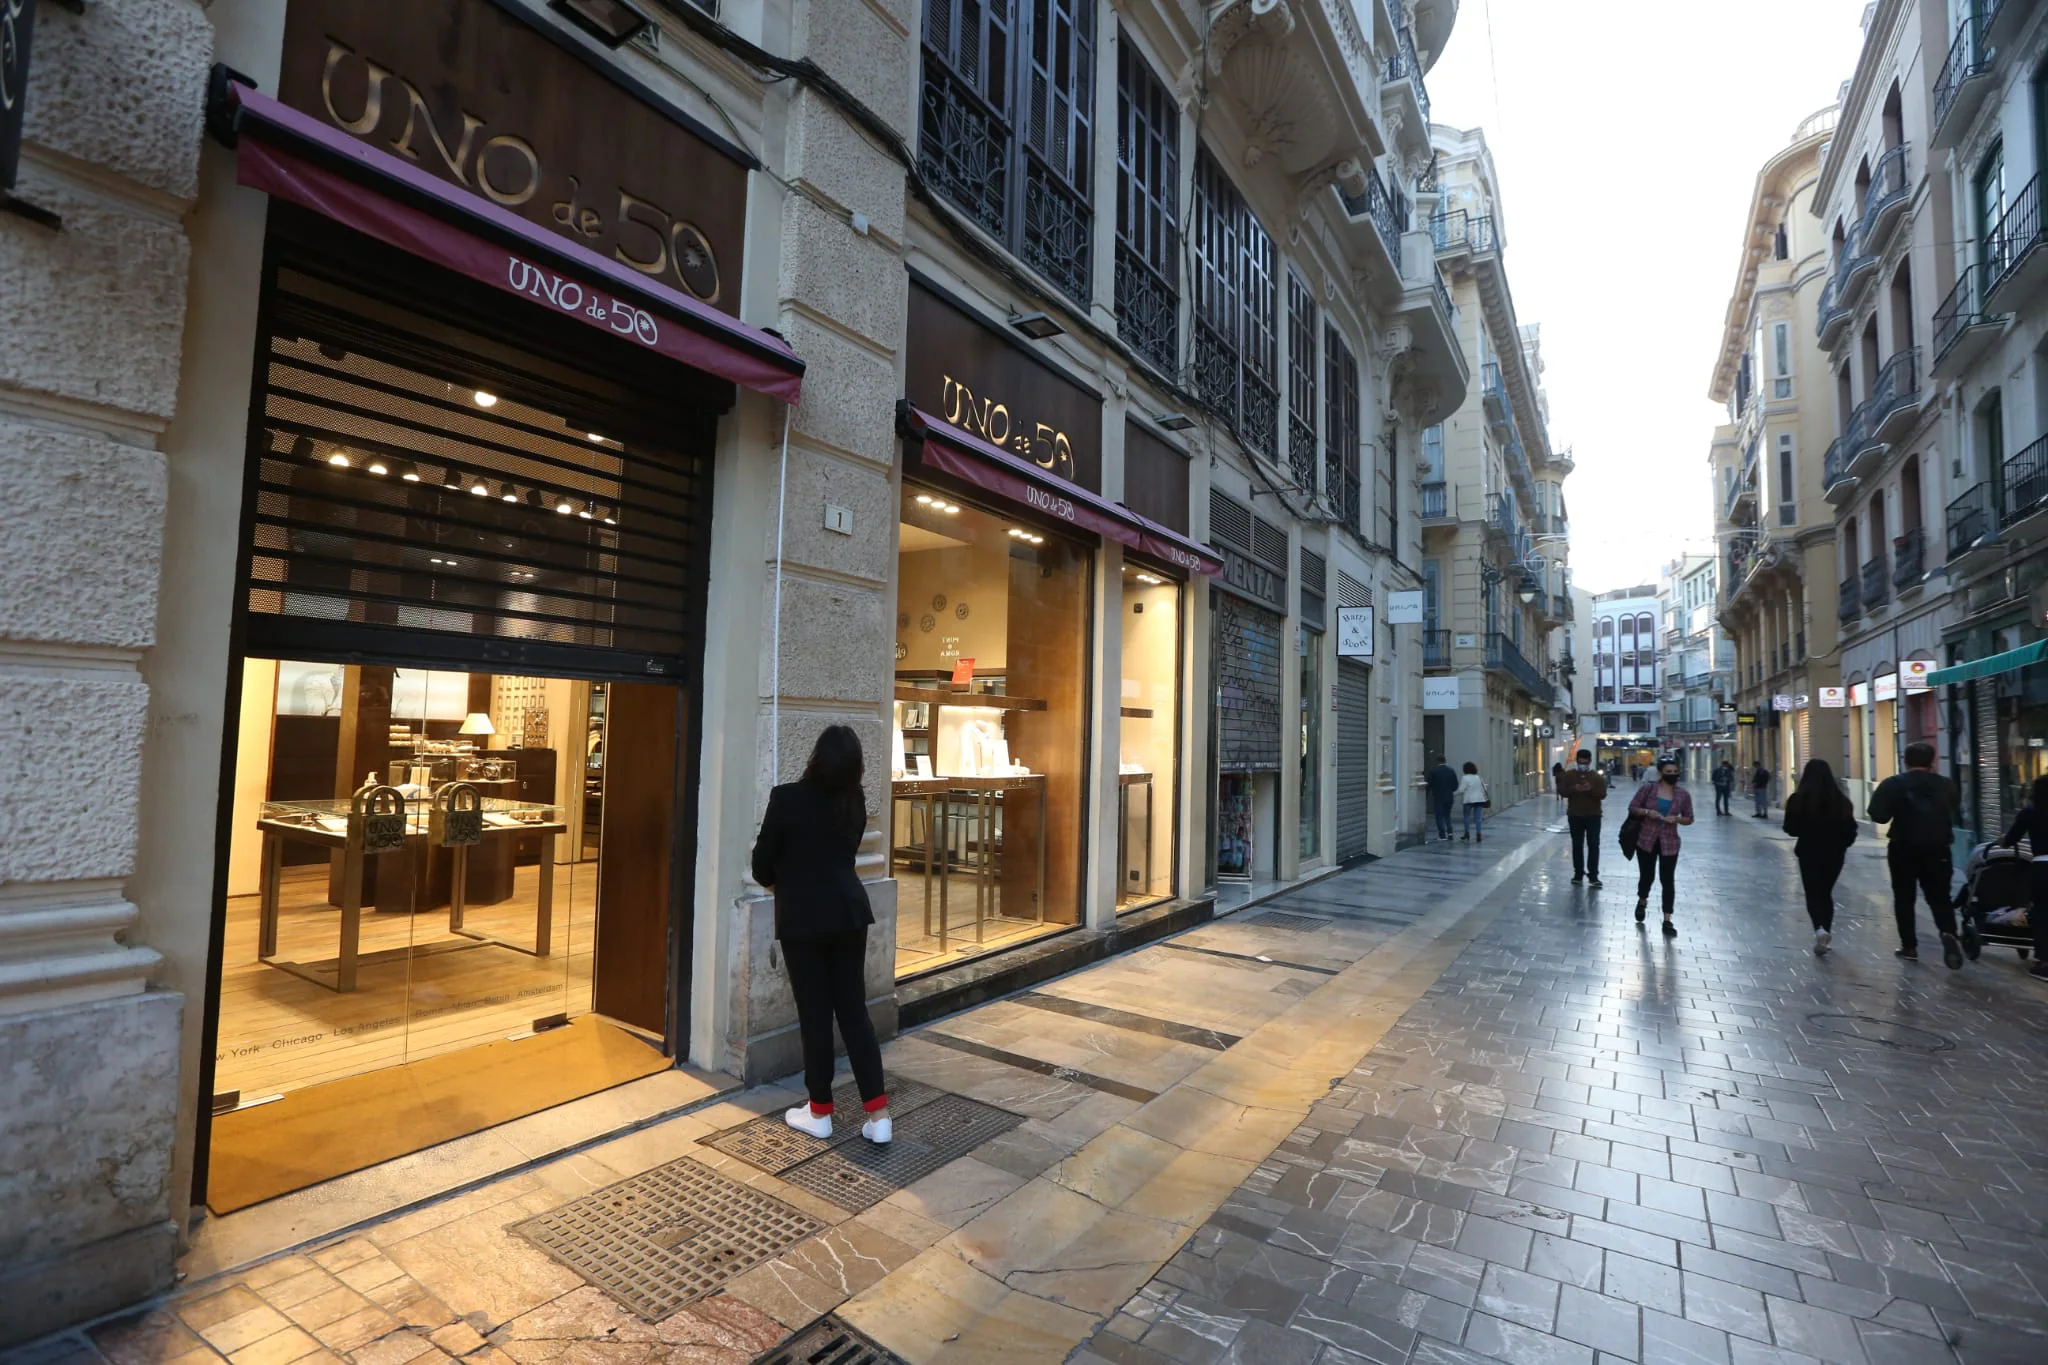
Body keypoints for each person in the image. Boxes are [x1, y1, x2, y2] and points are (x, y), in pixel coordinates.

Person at [750, 726, 892, 1143]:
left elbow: (761, 866)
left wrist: (790, 880)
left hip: (803, 920)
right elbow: (842, 857)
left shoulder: (787, 798)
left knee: (815, 1015)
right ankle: (879, 1116)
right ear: (856, 766)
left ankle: (820, 1112)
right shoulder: (855, 802)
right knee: (854, 1013)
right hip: (849, 914)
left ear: (816, 757)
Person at [1867, 741, 1964, 968]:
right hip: (1938, 848)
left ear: (1905, 760)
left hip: (1904, 848)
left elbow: (1878, 815)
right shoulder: (1946, 785)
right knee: (1940, 896)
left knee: (1904, 896)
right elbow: (1955, 808)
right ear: (1932, 760)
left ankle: (1909, 946)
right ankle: (1948, 932)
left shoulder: (1893, 784)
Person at [1782, 759, 1857, 956]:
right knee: (1826, 892)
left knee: (1812, 892)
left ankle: (1819, 929)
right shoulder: (1841, 801)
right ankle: (1827, 931)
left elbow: (1790, 828)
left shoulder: (1798, 800)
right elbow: (1851, 829)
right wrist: (1843, 843)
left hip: (1809, 852)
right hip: (1835, 853)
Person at [1629, 755, 1694, 936]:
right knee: (1647, 876)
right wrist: (1648, 812)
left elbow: (1690, 818)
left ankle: (1667, 919)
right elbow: (1633, 808)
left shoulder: (1683, 795)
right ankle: (1642, 900)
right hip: (1646, 840)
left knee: (1668, 880)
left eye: (1675, 772)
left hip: (1670, 842)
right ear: (1660, 773)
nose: (1672, 775)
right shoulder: (1648, 790)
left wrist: (1678, 819)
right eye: (1668, 772)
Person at [1995, 774, 2048, 982]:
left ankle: (2044, 963)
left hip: (2043, 867)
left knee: (2043, 914)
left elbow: (2010, 840)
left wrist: (2002, 841)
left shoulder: (2030, 812)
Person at [1558, 749, 1608, 887]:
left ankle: (1593, 875)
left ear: (1590, 761)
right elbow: (1562, 791)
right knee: (1577, 845)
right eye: (1581, 761)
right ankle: (1578, 874)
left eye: (1585, 761)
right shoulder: (1570, 775)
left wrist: (1590, 790)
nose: (1583, 764)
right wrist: (1574, 789)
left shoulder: (1596, 777)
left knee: (1593, 844)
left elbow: (1602, 794)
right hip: (1575, 815)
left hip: (1593, 815)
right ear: (1577, 760)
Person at [1426, 758, 1460, 841]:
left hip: (1438, 796)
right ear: (1445, 761)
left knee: (1439, 816)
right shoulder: (1451, 771)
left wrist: (1428, 793)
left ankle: (1442, 835)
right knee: (1447, 815)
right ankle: (1450, 833)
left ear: (1437, 761)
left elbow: (1429, 784)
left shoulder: (1434, 771)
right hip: (1449, 797)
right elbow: (1455, 785)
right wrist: (1450, 790)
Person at [1457, 762, 1488, 843]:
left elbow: (1461, 790)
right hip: (1479, 800)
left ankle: (1467, 833)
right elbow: (1484, 787)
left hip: (1468, 800)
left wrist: (1453, 794)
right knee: (1478, 818)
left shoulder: (1465, 778)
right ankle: (1478, 834)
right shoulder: (1479, 777)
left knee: (1466, 817)